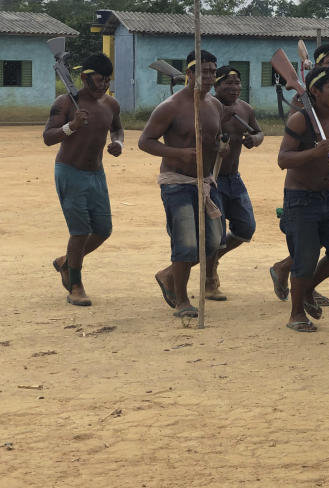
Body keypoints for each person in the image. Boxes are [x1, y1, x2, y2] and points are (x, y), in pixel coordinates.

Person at [138, 50, 224, 318]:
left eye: (212, 71)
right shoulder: (171, 107)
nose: (209, 77)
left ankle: (168, 275)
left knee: (214, 241)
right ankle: (182, 300)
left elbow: (214, 138)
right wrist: (179, 153)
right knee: (186, 243)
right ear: (189, 74)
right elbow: (145, 141)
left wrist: (220, 147)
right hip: (177, 183)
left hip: (205, 182)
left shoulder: (214, 105)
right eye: (203, 72)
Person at [268, 41, 329, 306]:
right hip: (301, 195)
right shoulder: (301, 106)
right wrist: (315, 152)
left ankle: (304, 286)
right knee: (306, 254)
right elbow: (285, 157)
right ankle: (298, 303)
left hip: (328, 192)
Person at [44, 53, 123, 306]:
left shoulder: (111, 105)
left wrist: (117, 142)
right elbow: (48, 137)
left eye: (107, 80)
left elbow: (118, 128)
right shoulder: (66, 103)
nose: (103, 85)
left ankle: (66, 262)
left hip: (96, 173)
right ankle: (75, 285)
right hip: (70, 171)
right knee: (79, 232)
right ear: (84, 77)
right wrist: (72, 126)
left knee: (103, 230)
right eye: (98, 80)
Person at [205, 65, 264, 299]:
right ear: (216, 86)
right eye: (227, 83)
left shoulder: (245, 109)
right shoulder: (208, 108)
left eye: (237, 82)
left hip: (234, 178)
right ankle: (209, 280)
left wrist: (254, 139)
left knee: (246, 228)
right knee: (215, 235)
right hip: (212, 179)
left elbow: (259, 133)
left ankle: (214, 259)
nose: (234, 87)